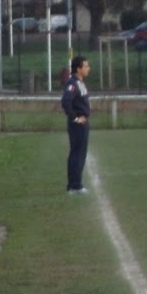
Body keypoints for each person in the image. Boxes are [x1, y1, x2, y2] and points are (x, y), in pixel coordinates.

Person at [61, 55, 91, 193]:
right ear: (78, 69)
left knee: (80, 153)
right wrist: (75, 118)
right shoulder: (73, 83)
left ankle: (75, 184)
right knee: (77, 153)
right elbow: (66, 101)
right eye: (86, 66)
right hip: (78, 125)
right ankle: (75, 185)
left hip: (83, 124)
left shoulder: (80, 83)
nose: (88, 68)